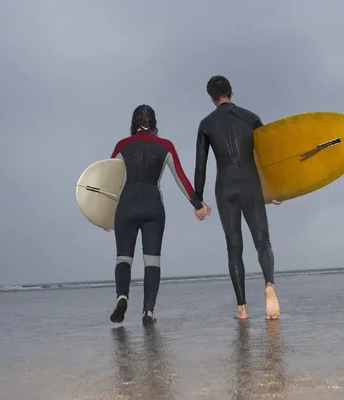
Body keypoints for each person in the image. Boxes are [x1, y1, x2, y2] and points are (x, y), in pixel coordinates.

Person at [106, 104, 208, 326]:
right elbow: (181, 177)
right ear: (153, 123)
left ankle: (122, 298)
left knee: (124, 257)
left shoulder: (122, 145)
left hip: (126, 206)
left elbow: (108, 181)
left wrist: (104, 215)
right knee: (152, 260)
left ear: (134, 122)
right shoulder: (165, 145)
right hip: (153, 206)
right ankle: (148, 312)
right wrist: (198, 204)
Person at [193, 75, 281, 320]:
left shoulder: (206, 124)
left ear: (211, 97)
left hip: (225, 188)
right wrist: (275, 189)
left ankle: (242, 309)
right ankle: (269, 285)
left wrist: (197, 200)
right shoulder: (251, 117)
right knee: (263, 242)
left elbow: (201, 166)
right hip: (251, 186)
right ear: (230, 91)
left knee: (234, 248)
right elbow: (267, 157)